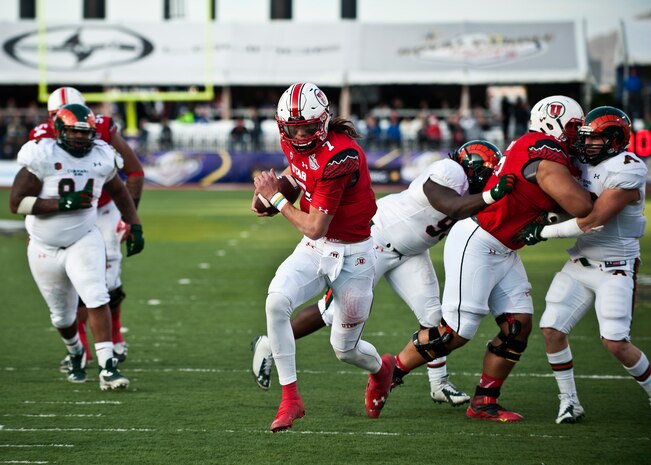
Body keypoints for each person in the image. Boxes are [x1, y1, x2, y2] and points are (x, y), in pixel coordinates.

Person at [252, 140, 517, 407]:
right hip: (376, 240)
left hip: (411, 252)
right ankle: (268, 344)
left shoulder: (467, 187)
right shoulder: (450, 171)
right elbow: (451, 206)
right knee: (331, 312)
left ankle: (439, 383)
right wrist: (492, 194)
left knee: (433, 318)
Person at [378, 96, 594, 422]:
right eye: (576, 128)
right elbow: (580, 206)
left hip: (504, 246)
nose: (579, 136)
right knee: (455, 332)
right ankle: (390, 370)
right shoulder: (542, 151)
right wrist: (598, 195)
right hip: (479, 240)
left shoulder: (548, 151)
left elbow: (557, 206)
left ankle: (484, 401)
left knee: (517, 326)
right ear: (555, 122)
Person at [252, 82, 391, 432]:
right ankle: (291, 399)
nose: (299, 135)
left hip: (354, 255)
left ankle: (382, 369)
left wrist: (278, 200)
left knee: (345, 350)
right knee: (275, 302)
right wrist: (277, 192)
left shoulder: (341, 156)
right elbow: (300, 174)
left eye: (307, 127)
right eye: (292, 128)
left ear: (324, 121)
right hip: (316, 251)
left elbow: (314, 225)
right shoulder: (292, 140)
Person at [519, 106, 651, 422]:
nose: (585, 143)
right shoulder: (581, 161)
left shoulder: (627, 168)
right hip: (580, 261)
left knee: (615, 342)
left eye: (593, 138)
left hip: (616, 265)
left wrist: (542, 231)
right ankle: (570, 402)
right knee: (551, 329)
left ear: (615, 140)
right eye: (585, 137)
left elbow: (592, 219)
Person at [9, 103, 144, 390]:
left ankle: (108, 366)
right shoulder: (42, 154)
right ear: (60, 131)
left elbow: (120, 193)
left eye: (86, 133)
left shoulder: (102, 156)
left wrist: (134, 224)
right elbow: (16, 203)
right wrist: (61, 204)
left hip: (84, 237)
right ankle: (75, 352)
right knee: (62, 315)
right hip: (44, 245)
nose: (81, 139)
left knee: (97, 294)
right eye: (74, 132)